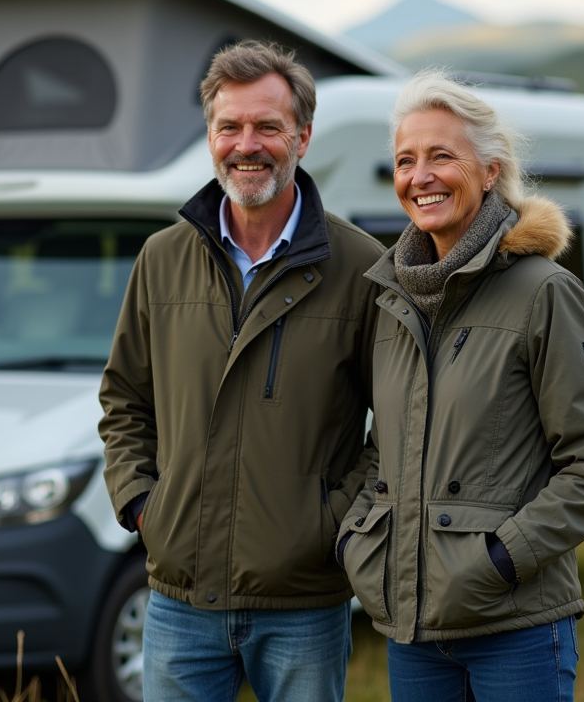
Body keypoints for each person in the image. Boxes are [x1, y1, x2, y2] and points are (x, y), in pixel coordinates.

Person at [99, 40, 384, 702]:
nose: (246, 144)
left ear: (303, 137)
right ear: (210, 135)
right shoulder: (161, 259)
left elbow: (397, 429)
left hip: (306, 605)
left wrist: (333, 524)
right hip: (179, 599)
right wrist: (144, 504)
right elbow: (124, 399)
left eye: (267, 126)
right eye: (230, 126)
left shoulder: (363, 267)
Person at [338, 68, 584, 702]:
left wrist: (498, 562)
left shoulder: (544, 293)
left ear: (490, 170)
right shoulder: (393, 301)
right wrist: (358, 541)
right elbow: (381, 449)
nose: (421, 176)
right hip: (411, 632)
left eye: (442, 156)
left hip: (515, 627)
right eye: (405, 160)